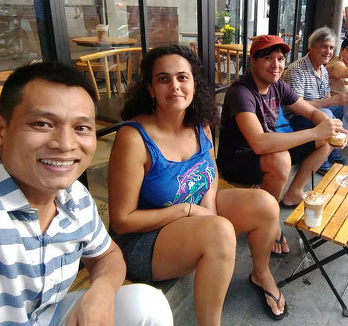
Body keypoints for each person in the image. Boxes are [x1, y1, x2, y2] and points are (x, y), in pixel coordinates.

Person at [108, 45, 287, 323]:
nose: (175, 86)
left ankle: (261, 273)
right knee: (220, 231)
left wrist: (207, 201)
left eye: (182, 77)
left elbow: (211, 169)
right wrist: (188, 212)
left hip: (194, 216)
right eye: (163, 79)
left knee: (265, 203)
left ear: (193, 84)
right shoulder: (133, 138)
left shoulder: (199, 123)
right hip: (143, 239)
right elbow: (122, 221)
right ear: (151, 88)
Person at [0, 62, 172, 325]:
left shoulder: (74, 196)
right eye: (42, 124)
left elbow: (107, 255)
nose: (65, 144)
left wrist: (101, 292)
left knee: (146, 303)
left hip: (49, 315)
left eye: (81, 128)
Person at [217, 34, 348, 212]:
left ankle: (294, 192)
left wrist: (332, 128)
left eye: (280, 59)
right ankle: (267, 219)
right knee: (280, 158)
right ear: (253, 61)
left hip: (267, 151)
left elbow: (311, 111)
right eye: (268, 58)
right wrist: (316, 132)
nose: (276, 65)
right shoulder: (241, 92)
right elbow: (259, 143)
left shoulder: (277, 85)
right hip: (236, 161)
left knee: (328, 139)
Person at [282, 26, 348, 171]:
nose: (328, 52)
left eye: (331, 48)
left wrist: (334, 102)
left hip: (315, 114)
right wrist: (331, 102)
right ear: (311, 46)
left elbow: (326, 97)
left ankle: (331, 148)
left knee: (344, 106)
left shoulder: (323, 69)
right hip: (294, 118)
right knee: (327, 114)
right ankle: (320, 160)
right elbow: (296, 106)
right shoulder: (297, 70)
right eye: (323, 46)